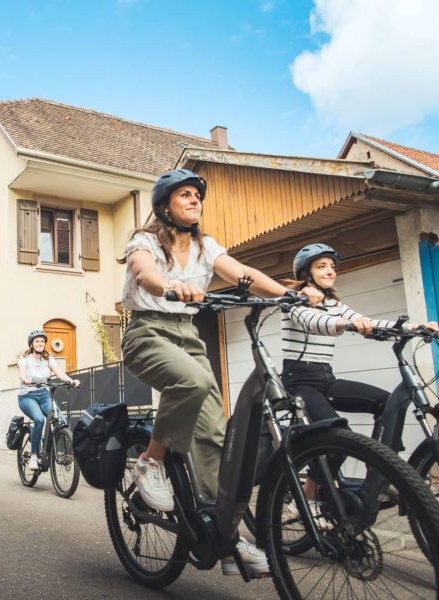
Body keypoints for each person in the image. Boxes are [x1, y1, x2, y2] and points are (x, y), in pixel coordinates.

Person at [119, 168, 323, 576]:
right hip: (147, 332)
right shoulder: (144, 241)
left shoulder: (205, 246)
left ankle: (226, 539)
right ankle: (150, 461)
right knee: (192, 382)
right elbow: (144, 273)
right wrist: (170, 287)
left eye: (198, 195)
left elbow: (241, 273)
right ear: (165, 205)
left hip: (188, 335)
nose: (195, 200)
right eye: (185, 195)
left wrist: (289, 294)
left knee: (214, 435)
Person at [282, 242, 438, 441]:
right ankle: (312, 469)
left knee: (386, 403)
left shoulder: (334, 304)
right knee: (340, 438)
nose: (330, 271)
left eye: (332, 266)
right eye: (321, 266)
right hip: (299, 380)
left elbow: (370, 322)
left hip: (326, 378)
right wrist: (349, 323)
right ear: (305, 273)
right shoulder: (293, 300)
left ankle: (380, 464)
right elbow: (315, 322)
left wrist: (414, 327)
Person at [17, 330, 80, 471]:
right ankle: (33, 456)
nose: (40, 343)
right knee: (39, 420)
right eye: (37, 341)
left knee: (61, 421)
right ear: (31, 344)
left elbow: (59, 372)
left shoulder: (48, 358)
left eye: (42, 341)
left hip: (45, 395)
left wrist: (71, 380)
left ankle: (46, 449)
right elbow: (22, 374)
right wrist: (25, 379)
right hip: (27, 396)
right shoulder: (24, 360)